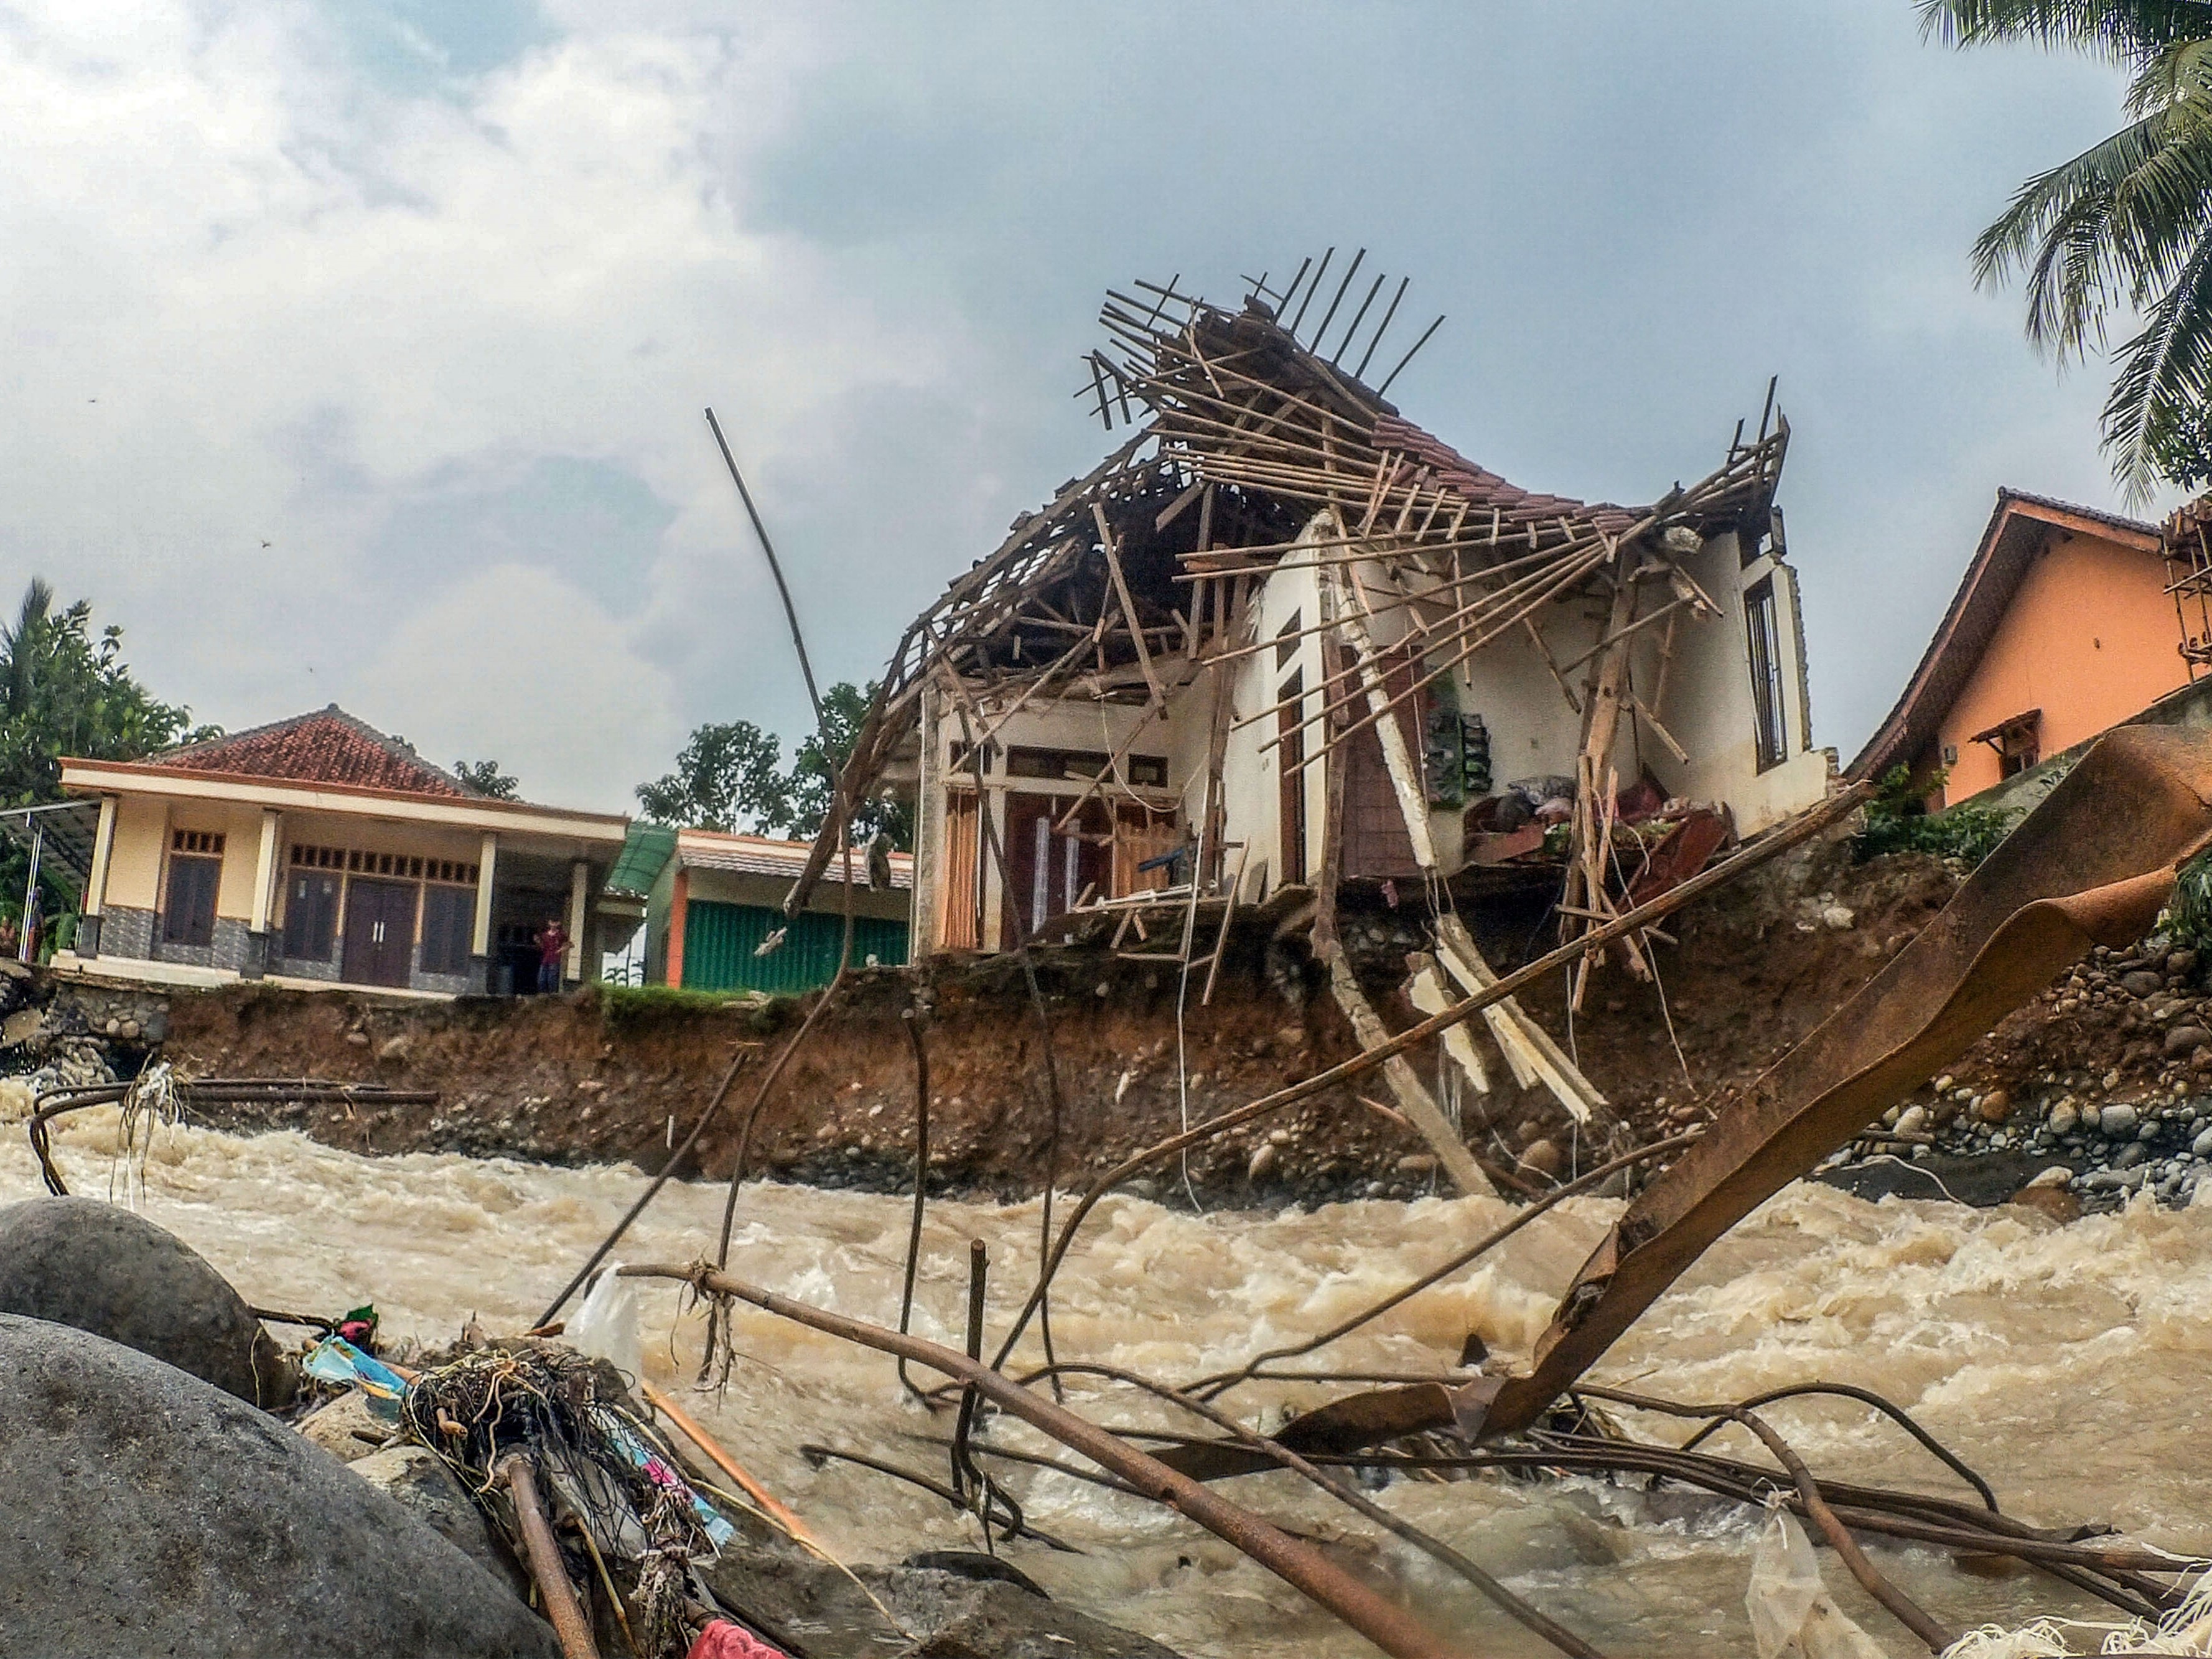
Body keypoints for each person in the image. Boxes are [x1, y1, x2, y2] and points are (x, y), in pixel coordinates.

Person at [533, 917, 569, 994]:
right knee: (541, 980)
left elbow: (570, 944)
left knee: (552, 980)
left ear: (559, 923)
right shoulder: (544, 935)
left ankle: (552, 996)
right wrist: (538, 942)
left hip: (555, 960)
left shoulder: (561, 935)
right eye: (552, 922)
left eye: (555, 923)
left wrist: (560, 950)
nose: (553, 925)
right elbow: (543, 948)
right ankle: (543, 995)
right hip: (545, 959)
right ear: (549, 923)